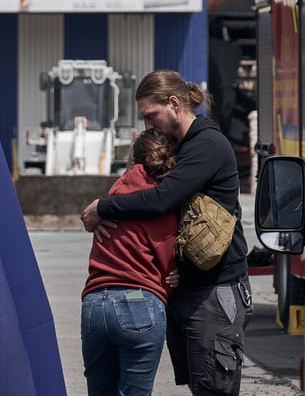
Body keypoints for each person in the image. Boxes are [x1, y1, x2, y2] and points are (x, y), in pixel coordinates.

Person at [82, 70, 252, 396]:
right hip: (188, 293)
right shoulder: (183, 146)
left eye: (151, 115)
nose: (148, 126)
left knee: (214, 387)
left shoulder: (206, 144)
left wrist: (103, 209)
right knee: (201, 384)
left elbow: (163, 200)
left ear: (174, 104)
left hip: (214, 292)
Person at [81, 128, 179, 396]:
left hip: (94, 305)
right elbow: (170, 265)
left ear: (131, 162)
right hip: (140, 302)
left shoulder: (110, 203)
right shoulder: (161, 206)